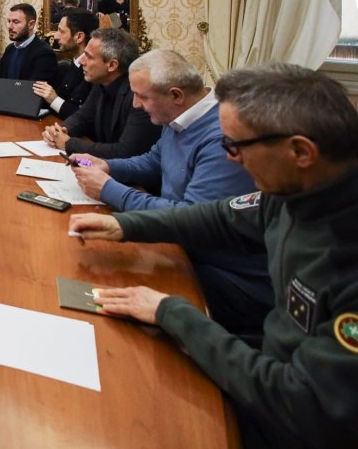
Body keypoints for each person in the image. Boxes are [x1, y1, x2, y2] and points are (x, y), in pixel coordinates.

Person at [69, 63, 358, 448]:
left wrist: (174, 313)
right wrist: (126, 225)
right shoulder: (295, 189)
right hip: (266, 367)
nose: (231, 159)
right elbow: (220, 216)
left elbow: (304, 406)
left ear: (300, 152)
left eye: (236, 146)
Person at [69, 49, 270, 335]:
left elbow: (193, 219)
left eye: (142, 97)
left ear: (176, 95)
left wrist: (109, 190)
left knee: (100, 297)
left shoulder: (222, 138)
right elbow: (153, 161)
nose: (136, 105)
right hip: (177, 247)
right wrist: (108, 166)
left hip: (223, 277)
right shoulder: (178, 117)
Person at [42, 28, 160, 158]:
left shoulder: (139, 96)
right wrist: (58, 131)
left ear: (112, 65)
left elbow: (124, 151)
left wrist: (69, 144)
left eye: (89, 57)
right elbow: (82, 117)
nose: (81, 62)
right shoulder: (101, 82)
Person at [32, 9, 97, 119]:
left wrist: (54, 99)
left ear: (79, 37)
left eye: (61, 31)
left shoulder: (94, 73)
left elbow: (85, 117)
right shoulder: (71, 65)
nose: (56, 36)